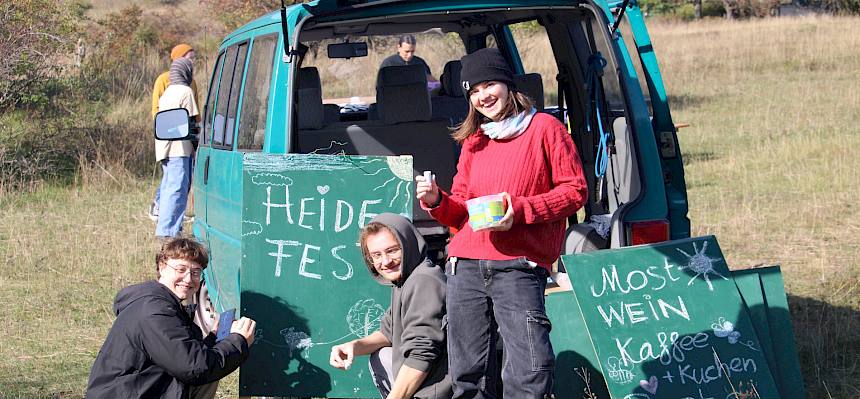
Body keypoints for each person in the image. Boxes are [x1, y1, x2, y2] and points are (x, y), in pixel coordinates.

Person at [415, 48, 588, 398]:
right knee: (467, 375)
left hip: (518, 266)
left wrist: (520, 210)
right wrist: (436, 201)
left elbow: (575, 192)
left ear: (509, 85)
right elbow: (461, 211)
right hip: (464, 266)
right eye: (474, 91)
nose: (483, 97)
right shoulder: (474, 142)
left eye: (489, 84)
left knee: (529, 371)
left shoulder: (545, 129)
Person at [86, 238, 256, 398]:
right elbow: (194, 368)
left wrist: (213, 338)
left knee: (208, 379)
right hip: (127, 393)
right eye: (181, 269)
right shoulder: (155, 312)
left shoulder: (161, 302)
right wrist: (238, 341)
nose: (188, 279)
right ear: (162, 267)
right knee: (205, 377)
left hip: (140, 389)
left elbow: (182, 354)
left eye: (196, 272)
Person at [330, 213, 452, 399]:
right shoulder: (404, 279)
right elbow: (388, 333)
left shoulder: (423, 280)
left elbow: (422, 353)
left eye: (393, 250)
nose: (385, 262)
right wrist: (354, 346)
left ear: (408, 244)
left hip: (436, 390)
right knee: (381, 355)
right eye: (376, 255)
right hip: (424, 384)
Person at [149, 43, 200, 222]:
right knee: (174, 179)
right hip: (171, 134)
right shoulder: (163, 80)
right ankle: (159, 208)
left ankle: (168, 214)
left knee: (181, 178)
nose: (193, 61)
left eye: (194, 58)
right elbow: (157, 109)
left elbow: (194, 112)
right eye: (190, 57)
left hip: (187, 136)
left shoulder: (192, 82)